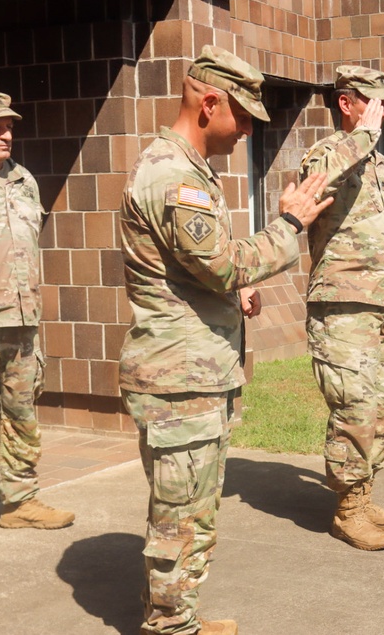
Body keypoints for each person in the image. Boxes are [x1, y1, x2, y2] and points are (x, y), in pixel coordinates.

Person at [119, 46, 331, 635]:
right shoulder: (173, 178)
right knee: (178, 516)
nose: (245, 132)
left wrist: (229, 295)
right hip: (177, 380)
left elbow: (204, 272)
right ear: (209, 102)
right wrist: (289, 224)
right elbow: (222, 264)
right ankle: (168, 626)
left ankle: (181, 614)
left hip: (199, 373)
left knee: (197, 510)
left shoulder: (192, 171)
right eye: (242, 116)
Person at [299, 65, 384, 552]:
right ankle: (348, 511)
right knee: (354, 407)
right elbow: (317, 187)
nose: (382, 110)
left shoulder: (380, 164)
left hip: (382, 303)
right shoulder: (327, 153)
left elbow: (383, 236)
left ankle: (364, 495)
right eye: (371, 100)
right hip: (342, 305)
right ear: (345, 103)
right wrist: (362, 137)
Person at [0, 89, 75, 561]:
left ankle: (20, 501)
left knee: (22, 417)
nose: (6, 134)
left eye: (9, 125)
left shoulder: (23, 179)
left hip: (23, 322)